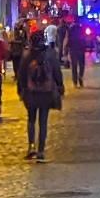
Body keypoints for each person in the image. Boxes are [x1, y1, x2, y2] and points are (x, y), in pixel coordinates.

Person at [18, 32, 64, 161]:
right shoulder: (50, 54)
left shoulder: (27, 56)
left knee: (31, 119)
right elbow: (57, 72)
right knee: (43, 122)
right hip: (46, 93)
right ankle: (41, 151)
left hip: (31, 93)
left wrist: (21, 90)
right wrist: (60, 86)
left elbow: (21, 74)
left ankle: (31, 145)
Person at [64, 20, 86, 88]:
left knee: (74, 66)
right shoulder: (81, 28)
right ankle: (80, 77)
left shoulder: (70, 29)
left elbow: (67, 39)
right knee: (81, 65)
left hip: (73, 49)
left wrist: (65, 51)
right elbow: (84, 38)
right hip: (81, 49)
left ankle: (75, 82)